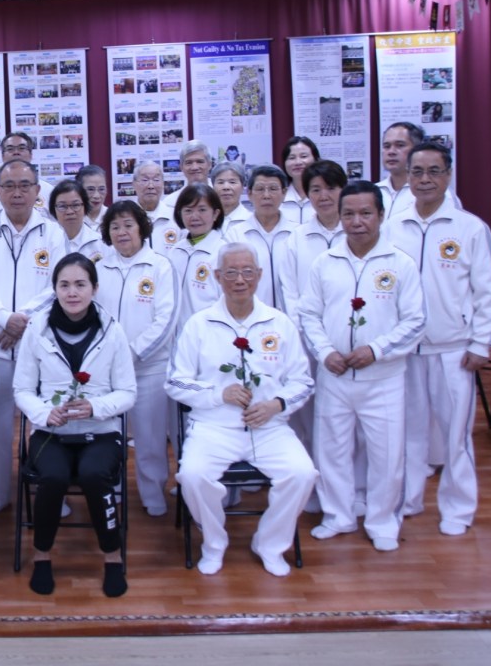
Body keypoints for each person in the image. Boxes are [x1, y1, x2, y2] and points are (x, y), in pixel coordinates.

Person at [167, 242, 317, 577]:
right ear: (217, 277)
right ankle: (213, 543)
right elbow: (176, 383)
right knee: (192, 476)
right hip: (213, 427)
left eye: (247, 271)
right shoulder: (199, 324)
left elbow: (303, 382)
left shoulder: (279, 323)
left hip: (269, 428)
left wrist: (276, 405)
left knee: (302, 473)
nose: (239, 280)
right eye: (231, 272)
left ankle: (270, 544)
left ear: (259, 275)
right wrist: (218, 394)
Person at [298, 181, 425, 552]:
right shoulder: (325, 263)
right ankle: (338, 515)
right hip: (334, 375)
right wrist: (325, 352)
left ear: (381, 216)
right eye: (349, 214)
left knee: (386, 453)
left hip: (383, 378)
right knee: (331, 449)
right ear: (339, 217)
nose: (357, 222)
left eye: (366, 213)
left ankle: (382, 520)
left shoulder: (400, 263)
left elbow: (415, 321)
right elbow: (309, 314)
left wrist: (377, 350)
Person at [389, 142, 491, 536]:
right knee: (408, 432)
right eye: (417, 172)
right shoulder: (394, 226)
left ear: (448, 175)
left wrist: (480, 342)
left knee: (455, 436)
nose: (425, 180)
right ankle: (408, 499)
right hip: (405, 351)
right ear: (407, 176)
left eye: (433, 171)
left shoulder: (470, 228)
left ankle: (458, 508)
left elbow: (488, 292)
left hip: (454, 349)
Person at [14, 253, 136, 596]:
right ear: (54, 289)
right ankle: (42, 556)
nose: (72, 292)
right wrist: (43, 414)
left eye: (80, 284)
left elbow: (128, 392)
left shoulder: (113, 330)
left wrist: (96, 407)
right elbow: (22, 390)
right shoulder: (37, 330)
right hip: (50, 433)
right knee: (52, 477)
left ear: (94, 288)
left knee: (95, 475)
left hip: (101, 432)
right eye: (64, 285)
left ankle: (112, 557)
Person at [0, 159, 67, 517]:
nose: (17, 192)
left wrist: (21, 321)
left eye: (25, 185)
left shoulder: (53, 233)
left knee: (47, 423)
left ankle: (51, 494)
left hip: (39, 347)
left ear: (38, 190)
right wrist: (3, 319)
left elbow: (58, 286)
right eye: (9, 186)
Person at [96, 201, 178, 517]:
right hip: (106, 371)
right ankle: (113, 488)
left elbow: (165, 320)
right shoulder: (99, 268)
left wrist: (131, 353)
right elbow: (93, 317)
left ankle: (153, 492)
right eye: (115, 226)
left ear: (142, 228)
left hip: (149, 368)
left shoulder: (160, 266)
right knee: (109, 435)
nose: (122, 232)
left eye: (128, 225)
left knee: (150, 436)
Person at [276, 160, 347, 474]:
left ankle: (344, 482)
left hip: (345, 344)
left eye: (330, 188)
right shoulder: (297, 238)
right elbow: (290, 292)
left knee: (340, 419)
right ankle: (309, 477)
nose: (323, 196)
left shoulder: (355, 233)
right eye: (316, 189)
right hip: (306, 341)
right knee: (305, 414)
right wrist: (309, 335)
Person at [224, 165, 294, 311]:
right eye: (260, 189)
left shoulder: (297, 234)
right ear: (249, 193)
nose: (266, 195)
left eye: (273, 189)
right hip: (249, 316)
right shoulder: (235, 234)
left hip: (291, 319)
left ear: (284, 193)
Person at [167, 183, 226, 325]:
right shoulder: (175, 251)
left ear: (215, 214)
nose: (194, 216)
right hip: (176, 333)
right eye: (188, 210)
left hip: (209, 331)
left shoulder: (223, 253)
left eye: (202, 210)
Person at [0, 132, 53, 217]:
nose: (16, 152)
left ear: (31, 155)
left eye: (21, 148)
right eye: (10, 149)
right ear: (2, 156)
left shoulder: (49, 191)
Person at [49, 180, 107, 263]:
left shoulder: (100, 243)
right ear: (53, 209)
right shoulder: (46, 241)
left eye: (75, 205)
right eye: (62, 206)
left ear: (85, 207)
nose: (69, 212)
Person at [131, 161, 179, 254]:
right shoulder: (127, 216)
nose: (151, 186)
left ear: (163, 184)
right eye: (145, 180)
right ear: (134, 184)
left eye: (156, 180)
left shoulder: (175, 216)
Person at [279, 136, 320, 224]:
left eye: (303, 156)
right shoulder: (278, 197)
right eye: (292, 158)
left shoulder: (324, 196)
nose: (298, 162)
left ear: (316, 159)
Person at [162, 140, 212, 207]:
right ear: (181, 167)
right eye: (189, 163)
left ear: (209, 165)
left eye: (200, 161)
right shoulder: (170, 203)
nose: (194, 167)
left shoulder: (221, 196)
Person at [211, 161, 252, 231]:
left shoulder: (252, 221)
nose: (226, 187)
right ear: (213, 187)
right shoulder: (205, 220)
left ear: (242, 187)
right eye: (220, 182)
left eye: (232, 182)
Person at [76, 164, 109, 231]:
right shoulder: (72, 218)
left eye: (101, 189)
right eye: (91, 189)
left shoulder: (112, 216)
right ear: (79, 190)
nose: (96, 196)